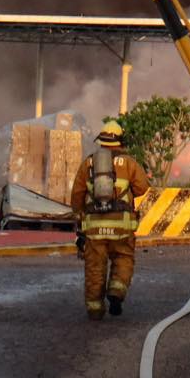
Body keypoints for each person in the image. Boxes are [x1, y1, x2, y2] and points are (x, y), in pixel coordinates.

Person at [69, 120, 150, 319]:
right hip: (122, 225)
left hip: (94, 227)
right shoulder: (129, 163)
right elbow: (142, 187)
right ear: (120, 141)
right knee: (123, 258)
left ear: (101, 140)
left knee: (95, 267)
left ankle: (95, 309)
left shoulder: (88, 162)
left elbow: (77, 195)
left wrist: (80, 216)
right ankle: (116, 291)